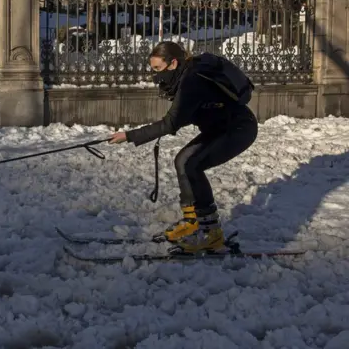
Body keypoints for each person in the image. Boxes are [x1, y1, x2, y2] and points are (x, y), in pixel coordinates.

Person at [108, 41, 258, 254]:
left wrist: (129, 136)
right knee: (183, 160)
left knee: (191, 164)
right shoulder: (186, 76)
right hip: (221, 127)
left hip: (238, 129)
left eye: (158, 69)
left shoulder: (191, 81)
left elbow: (171, 123)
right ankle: (193, 221)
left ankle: (211, 233)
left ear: (173, 63)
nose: (155, 76)